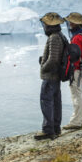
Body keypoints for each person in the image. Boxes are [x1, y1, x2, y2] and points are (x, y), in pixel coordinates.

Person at [34, 12, 66, 140]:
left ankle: (48, 130)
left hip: (50, 76)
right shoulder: (60, 35)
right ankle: (56, 128)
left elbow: (53, 59)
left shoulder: (54, 37)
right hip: (56, 76)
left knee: (46, 102)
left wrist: (43, 66)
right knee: (56, 102)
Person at [63, 12, 82, 130]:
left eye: (71, 22)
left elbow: (74, 57)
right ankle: (81, 119)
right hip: (81, 69)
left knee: (76, 95)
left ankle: (76, 122)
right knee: (79, 94)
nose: (69, 24)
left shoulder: (77, 38)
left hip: (76, 70)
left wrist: (69, 69)